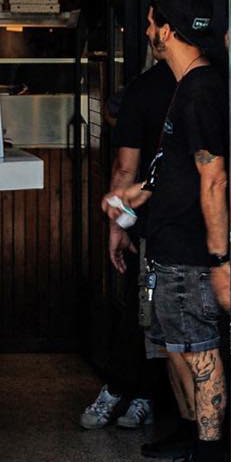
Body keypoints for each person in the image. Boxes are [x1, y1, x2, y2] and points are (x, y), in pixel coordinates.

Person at [107, 0, 231, 462]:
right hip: (173, 247)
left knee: (202, 358)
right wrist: (134, 198)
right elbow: (179, 172)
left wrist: (219, 261)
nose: (147, 31)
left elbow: (213, 179)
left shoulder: (201, 90)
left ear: (166, 31)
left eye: (151, 23)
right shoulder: (188, 86)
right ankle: (200, 455)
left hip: (193, 254)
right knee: (185, 354)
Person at [80, 57, 174, 433]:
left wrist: (117, 223)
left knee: (144, 312)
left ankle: (124, 391)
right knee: (160, 316)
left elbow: (124, 169)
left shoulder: (145, 89)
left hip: (151, 222)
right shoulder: (211, 79)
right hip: (190, 222)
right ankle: (142, 397)